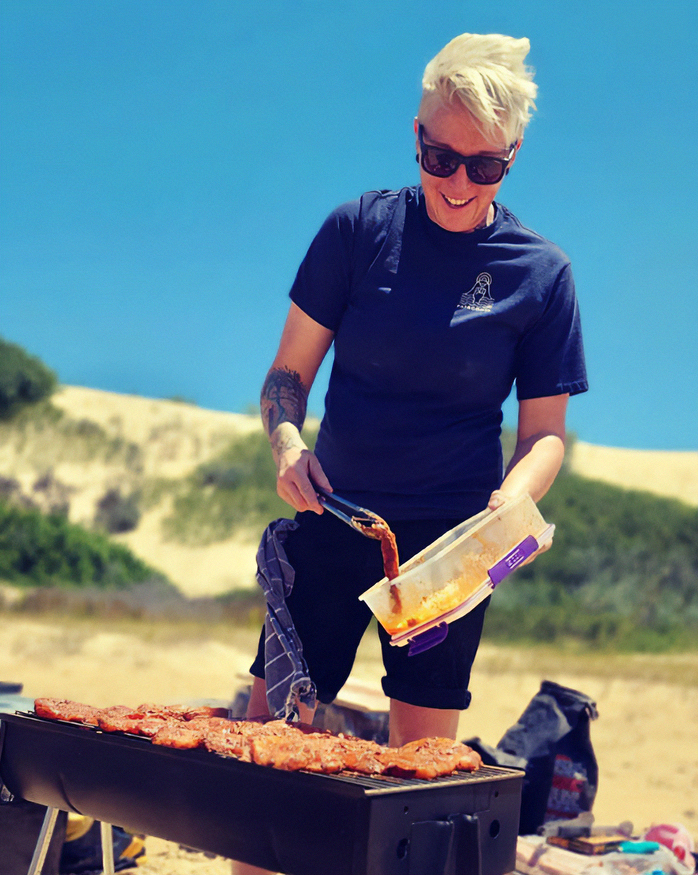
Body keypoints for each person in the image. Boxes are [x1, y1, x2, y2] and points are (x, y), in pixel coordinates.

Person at [232, 32, 587, 875]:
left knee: (418, 785)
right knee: (265, 755)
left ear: (514, 157)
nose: (457, 182)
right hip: (333, 516)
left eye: (484, 166)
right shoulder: (356, 230)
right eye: (439, 155)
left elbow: (543, 435)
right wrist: (287, 441)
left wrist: (513, 501)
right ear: (416, 135)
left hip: (446, 557)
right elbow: (287, 376)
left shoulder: (542, 273)